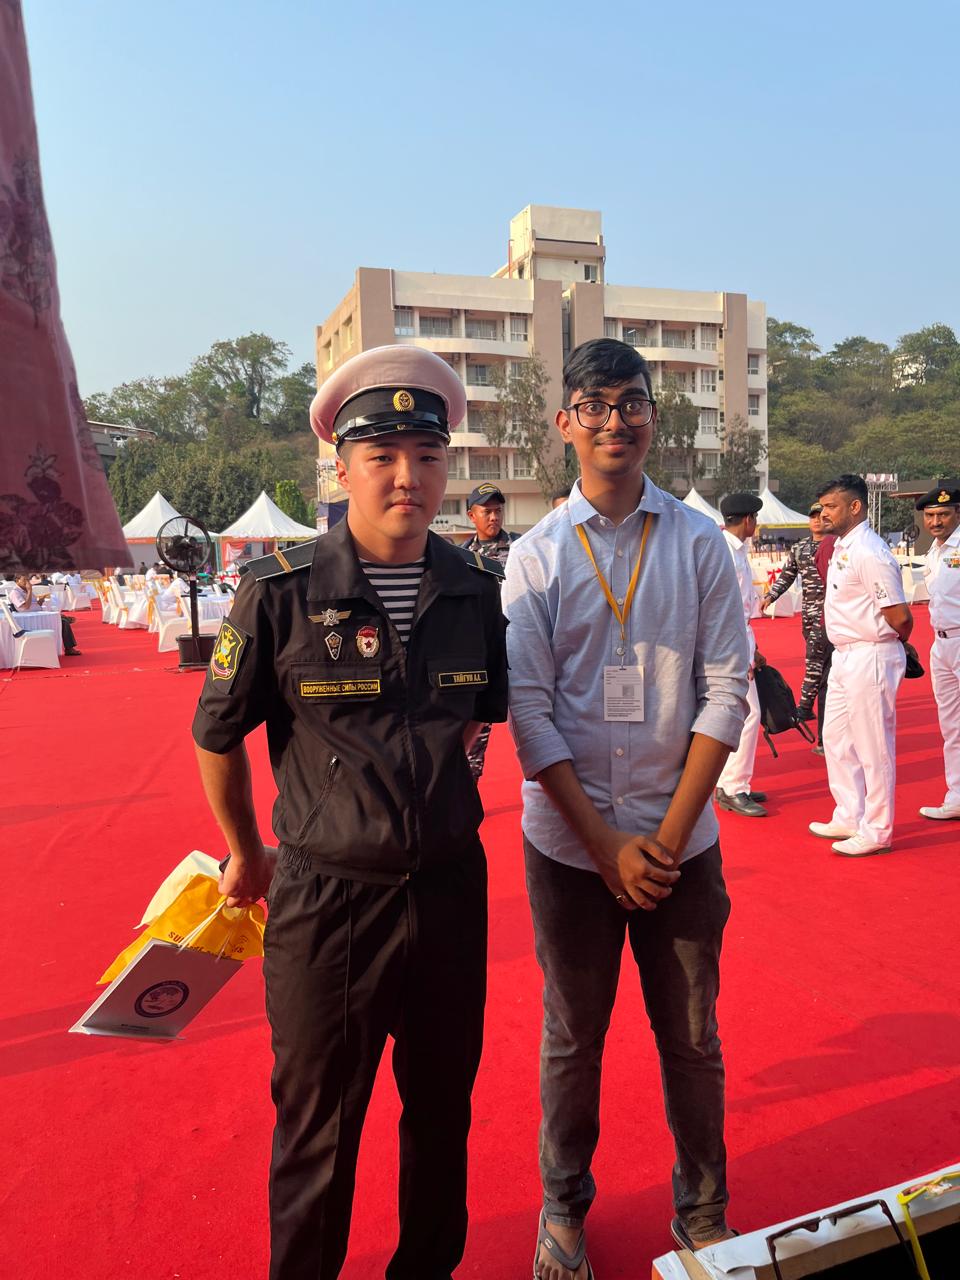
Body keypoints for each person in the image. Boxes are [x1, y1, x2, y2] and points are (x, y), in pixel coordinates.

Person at [192, 345, 508, 1280]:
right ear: (343, 467)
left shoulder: (474, 592)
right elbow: (218, 733)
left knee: (442, 1112)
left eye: (427, 454)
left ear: (449, 466)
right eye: (384, 456)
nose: (408, 476)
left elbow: (479, 722)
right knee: (320, 1128)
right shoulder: (280, 590)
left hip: (450, 893)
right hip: (327, 902)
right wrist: (247, 852)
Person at [503, 337, 749, 1267]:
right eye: (596, 404)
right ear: (567, 422)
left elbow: (726, 690)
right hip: (569, 848)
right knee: (574, 1034)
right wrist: (605, 842)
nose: (617, 420)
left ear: (656, 417)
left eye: (633, 402)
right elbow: (527, 711)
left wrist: (668, 838)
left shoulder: (696, 544)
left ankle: (704, 1214)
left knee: (692, 1037)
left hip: (681, 843)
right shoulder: (535, 557)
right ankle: (563, 1207)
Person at [811, 474, 912, 857]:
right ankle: (849, 814)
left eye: (831, 506)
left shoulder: (870, 551)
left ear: (855, 507)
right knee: (837, 738)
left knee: (873, 745)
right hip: (844, 654)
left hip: (870, 652)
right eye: (822, 507)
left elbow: (900, 615)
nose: (824, 514)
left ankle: (878, 829)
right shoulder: (841, 546)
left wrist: (895, 645)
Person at [760, 502, 836, 752]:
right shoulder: (800, 548)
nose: (817, 521)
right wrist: (771, 595)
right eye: (813, 516)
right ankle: (813, 710)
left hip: (832, 615)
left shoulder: (837, 546)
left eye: (822, 516)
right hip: (809, 616)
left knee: (816, 661)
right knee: (823, 666)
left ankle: (803, 707)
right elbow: (787, 575)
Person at [714, 493, 768, 817]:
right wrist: (741, 654)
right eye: (755, 519)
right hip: (731, 642)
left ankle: (728, 782)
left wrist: (754, 647)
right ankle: (735, 787)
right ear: (747, 520)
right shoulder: (726, 553)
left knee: (742, 713)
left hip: (741, 637)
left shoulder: (735, 550)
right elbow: (724, 609)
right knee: (748, 715)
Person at [461, 483, 515, 779]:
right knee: (473, 742)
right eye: (487, 511)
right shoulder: (460, 557)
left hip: (519, 653)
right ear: (472, 515)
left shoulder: (519, 549)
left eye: (498, 511)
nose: (494, 517)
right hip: (483, 656)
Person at [917, 484, 960, 821]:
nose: (936, 521)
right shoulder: (933, 552)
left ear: (957, 513)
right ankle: (956, 795)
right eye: (930, 515)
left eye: (943, 514)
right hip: (941, 644)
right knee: (950, 725)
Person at [8, 573, 81, 654]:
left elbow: (34, 604)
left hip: (38, 614)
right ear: (17, 581)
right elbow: (26, 607)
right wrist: (29, 591)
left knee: (61, 619)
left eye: (27, 580)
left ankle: (63, 619)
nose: (27, 582)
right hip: (30, 619)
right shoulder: (15, 593)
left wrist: (40, 601)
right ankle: (69, 648)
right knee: (64, 622)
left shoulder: (26, 590)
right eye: (24, 580)